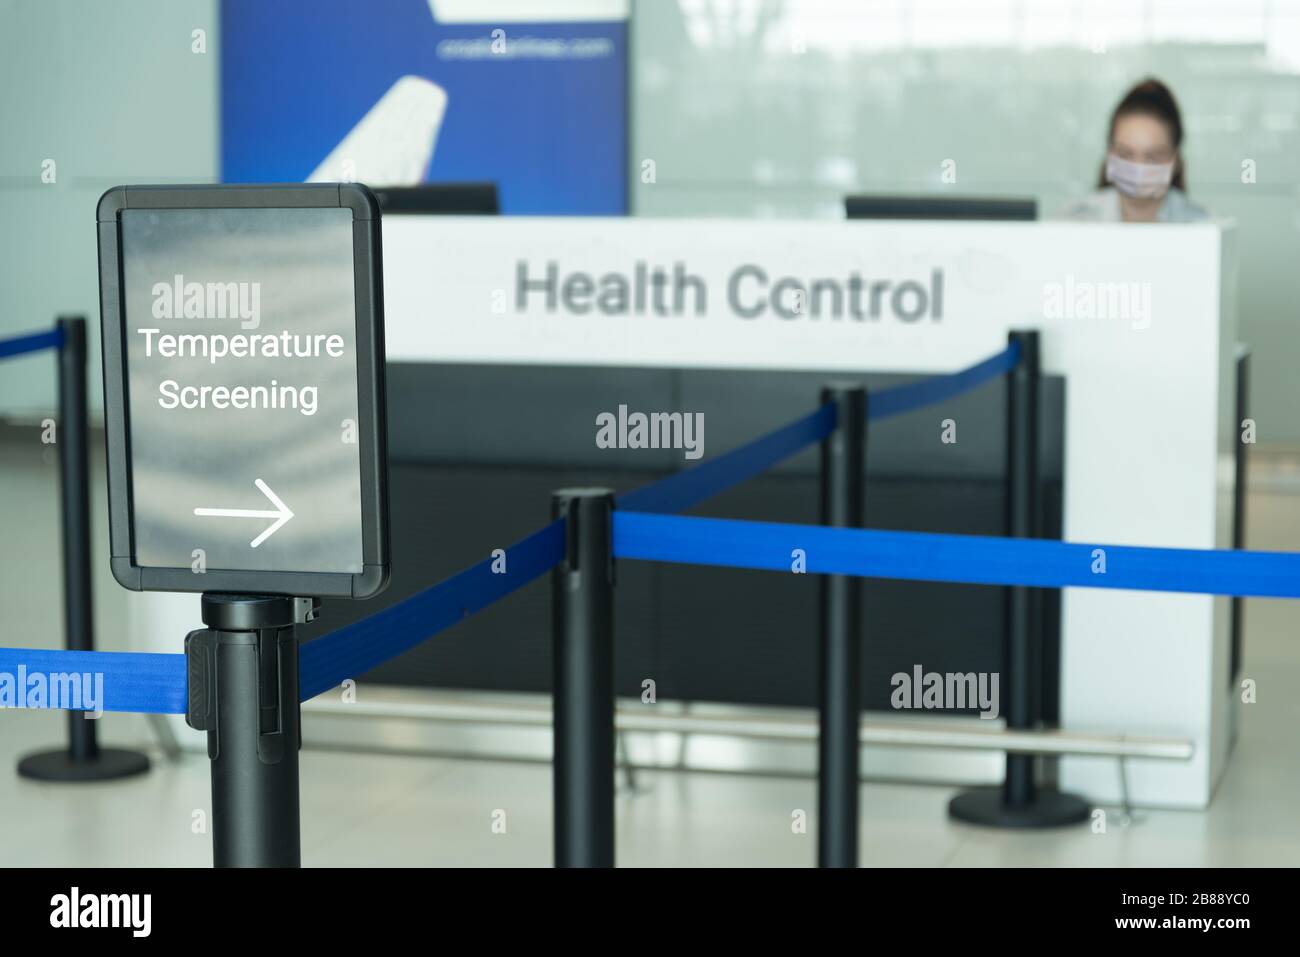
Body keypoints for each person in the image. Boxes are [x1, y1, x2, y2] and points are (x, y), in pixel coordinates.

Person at [1061, 78, 1209, 223]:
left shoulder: (1203, 225)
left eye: (1153, 157)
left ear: (1175, 160)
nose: (1138, 167)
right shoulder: (1072, 222)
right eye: (1125, 154)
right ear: (1110, 154)